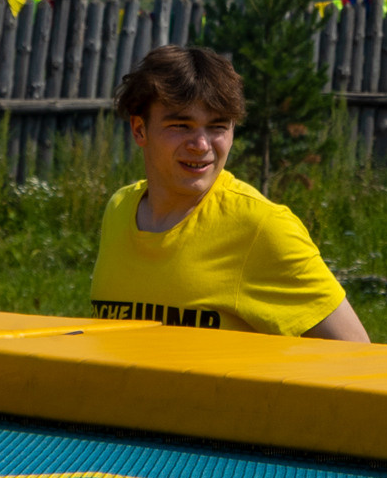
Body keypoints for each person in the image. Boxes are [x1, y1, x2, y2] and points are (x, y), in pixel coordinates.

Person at [90, 42, 369, 341]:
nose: (201, 145)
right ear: (139, 130)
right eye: (181, 125)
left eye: (217, 127)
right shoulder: (119, 210)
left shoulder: (260, 227)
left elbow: (354, 350)